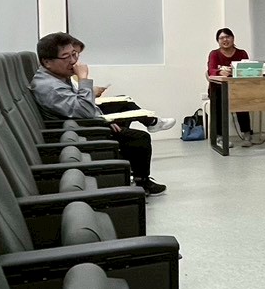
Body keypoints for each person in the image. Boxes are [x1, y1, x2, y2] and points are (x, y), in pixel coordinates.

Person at [31, 32, 165, 196]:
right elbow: (85, 110)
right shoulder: (50, 86)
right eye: (66, 57)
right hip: (78, 132)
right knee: (139, 138)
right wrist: (83, 79)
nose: (73, 61)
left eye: (74, 54)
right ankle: (141, 182)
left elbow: (81, 107)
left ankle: (136, 175)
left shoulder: (57, 76)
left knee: (123, 116)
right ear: (47, 62)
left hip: (82, 124)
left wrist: (103, 118)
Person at [72, 42, 174, 131]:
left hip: (91, 110)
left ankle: (152, 123)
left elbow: (79, 96)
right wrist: (88, 85)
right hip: (87, 116)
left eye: (77, 55)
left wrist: (92, 90)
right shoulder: (64, 81)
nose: (76, 60)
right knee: (127, 110)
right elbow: (81, 104)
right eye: (73, 55)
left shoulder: (69, 77)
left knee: (124, 101)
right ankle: (151, 123)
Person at [206, 28, 255, 146]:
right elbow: (211, 70)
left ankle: (247, 135)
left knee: (241, 101)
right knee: (218, 102)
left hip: (237, 89)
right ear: (218, 41)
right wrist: (220, 72)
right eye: (221, 38)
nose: (225, 40)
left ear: (233, 38)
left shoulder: (241, 53)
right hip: (218, 89)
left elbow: (247, 69)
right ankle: (219, 137)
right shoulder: (214, 54)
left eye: (227, 37)